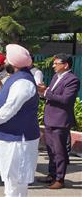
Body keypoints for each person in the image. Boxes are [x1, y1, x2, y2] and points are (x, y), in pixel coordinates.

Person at [0, 44, 40, 197]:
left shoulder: (23, 82)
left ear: (14, 62)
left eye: (7, 58)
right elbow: (2, 100)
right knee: (10, 179)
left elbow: (10, 108)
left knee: (16, 181)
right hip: (10, 138)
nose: (5, 60)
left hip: (18, 139)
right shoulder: (15, 78)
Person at [36, 53, 80, 189]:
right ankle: (52, 174)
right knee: (50, 149)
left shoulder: (72, 79)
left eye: (56, 63)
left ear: (65, 65)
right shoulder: (56, 77)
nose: (53, 65)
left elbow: (66, 99)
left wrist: (46, 92)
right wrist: (43, 93)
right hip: (50, 119)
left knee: (59, 151)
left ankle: (60, 179)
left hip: (60, 121)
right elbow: (52, 96)